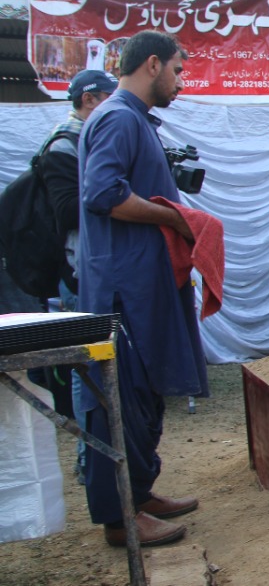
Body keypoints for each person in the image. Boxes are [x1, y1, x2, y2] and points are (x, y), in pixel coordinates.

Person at [78, 30, 208, 548]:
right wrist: (177, 220)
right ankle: (119, 517)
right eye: (178, 70)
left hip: (145, 283)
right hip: (121, 288)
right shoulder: (115, 117)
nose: (181, 81)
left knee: (147, 393)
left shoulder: (134, 121)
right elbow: (103, 194)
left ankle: (141, 490)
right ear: (152, 65)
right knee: (122, 398)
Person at [39, 68, 117, 482]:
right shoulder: (65, 147)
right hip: (79, 274)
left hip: (98, 268)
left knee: (102, 370)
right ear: (90, 100)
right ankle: (92, 458)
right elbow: (67, 210)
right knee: (87, 369)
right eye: (108, 98)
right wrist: (114, 196)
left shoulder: (87, 141)